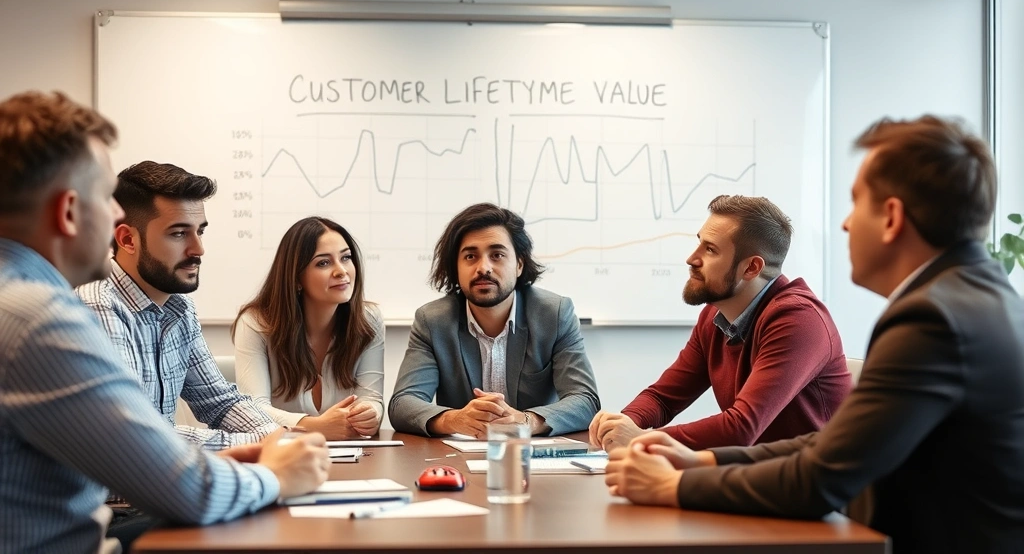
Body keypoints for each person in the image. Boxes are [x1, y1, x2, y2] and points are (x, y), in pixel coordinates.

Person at [604, 115, 1024, 553]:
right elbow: (831, 443)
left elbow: (822, 477)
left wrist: (674, 487)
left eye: (856, 202)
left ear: (891, 218)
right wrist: (702, 460)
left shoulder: (932, 320)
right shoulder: (972, 298)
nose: (844, 224)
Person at [0, 90, 330, 554]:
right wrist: (274, 473)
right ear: (69, 211)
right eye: (104, 197)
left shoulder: (23, 302)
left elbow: (206, 413)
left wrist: (258, 446)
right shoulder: (39, 319)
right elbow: (186, 488)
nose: (115, 212)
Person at [589, 195, 851, 451]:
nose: (692, 259)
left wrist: (639, 440)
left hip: (809, 487)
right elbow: (664, 398)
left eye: (710, 249)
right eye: (699, 243)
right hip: (757, 477)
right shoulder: (715, 316)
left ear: (751, 268)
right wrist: (624, 424)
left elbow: (741, 428)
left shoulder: (798, 320)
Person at [76, 161, 277, 450]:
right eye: (179, 233)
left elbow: (219, 401)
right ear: (127, 239)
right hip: (110, 493)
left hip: (155, 487)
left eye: (201, 232)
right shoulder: (97, 306)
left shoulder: (179, 308)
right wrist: (255, 444)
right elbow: (136, 434)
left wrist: (273, 435)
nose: (198, 249)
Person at [389, 202, 600, 438]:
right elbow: (402, 404)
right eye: (470, 256)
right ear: (455, 268)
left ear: (519, 264)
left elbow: (585, 400)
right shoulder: (433, 321)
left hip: (533, 460)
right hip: (459, 459)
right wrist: (455, 419)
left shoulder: (555, 314)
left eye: (497, 255)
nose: (483, 268)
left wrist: (526, 421)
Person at [232, 217, 385, 439]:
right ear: (296, 278)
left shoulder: (369, 319)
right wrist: (314, 426)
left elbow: (371, 398)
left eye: (346, 257)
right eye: (323, 263)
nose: (341, 271)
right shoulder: (255, 323)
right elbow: (253, 411)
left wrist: (370, 414)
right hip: (280, 460)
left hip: (351, 458)